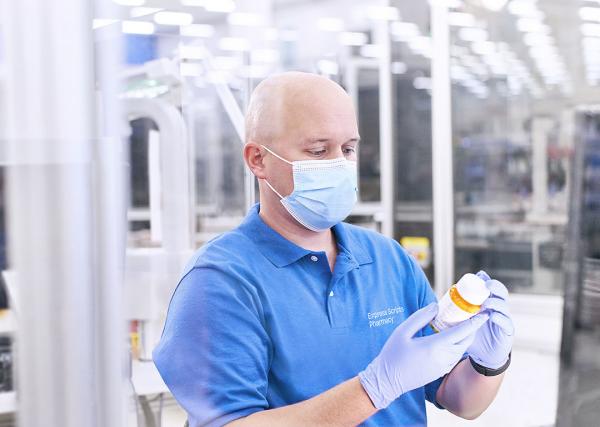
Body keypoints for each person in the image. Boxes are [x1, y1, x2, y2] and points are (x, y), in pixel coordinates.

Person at [153, 72, 514, 426]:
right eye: (318, 150)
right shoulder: (221, 281)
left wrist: (487, 361)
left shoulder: (387, 260)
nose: (339, 165)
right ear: (258, 160)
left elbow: (458, 400)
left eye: (348, 149)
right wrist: (373, 388)